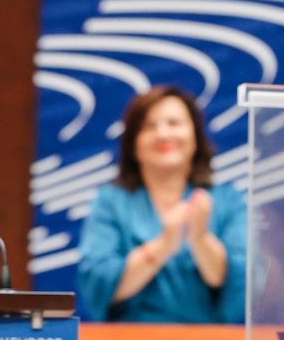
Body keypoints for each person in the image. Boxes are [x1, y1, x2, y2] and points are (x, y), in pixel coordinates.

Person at [77, 85, 246, 323]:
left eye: (174, 123)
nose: (163, 134)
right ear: (134, 144)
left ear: (195, 137)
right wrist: (165, 243)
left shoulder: (229, 200)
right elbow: (98, 286)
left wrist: (200, 238)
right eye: (149, 126)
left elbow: (238, 284)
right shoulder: (110, 202)